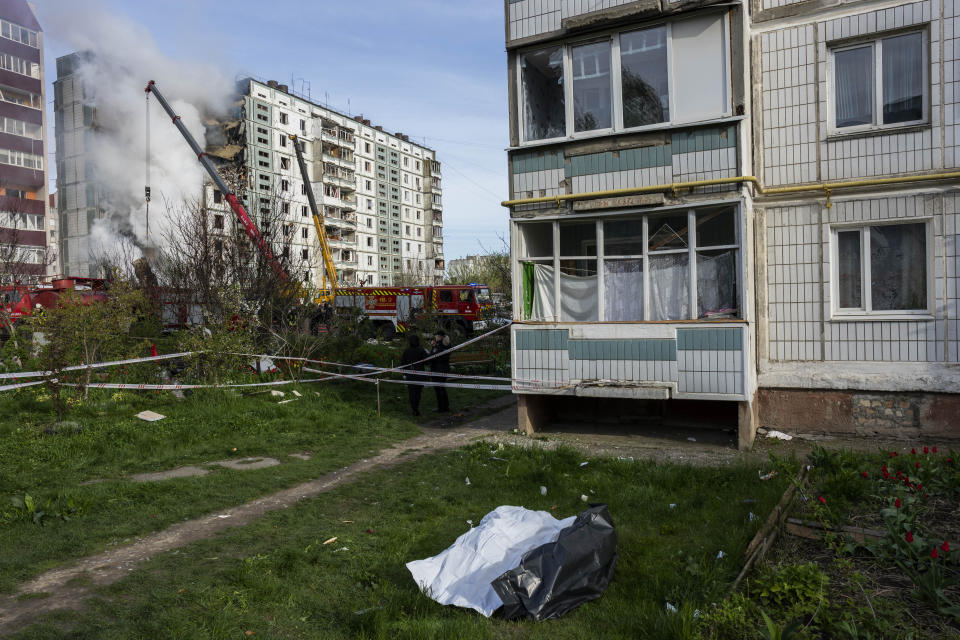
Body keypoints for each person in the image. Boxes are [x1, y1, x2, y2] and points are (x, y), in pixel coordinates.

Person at [400, 334, 429, 416]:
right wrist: (427, 353)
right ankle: (416, 408)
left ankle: (414, 409)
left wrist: (404, 373)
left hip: (410, 374)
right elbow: (427, 362)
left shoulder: (406, 351)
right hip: (420, 375)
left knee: (411, 392)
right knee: (418, 392)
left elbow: (403, 363)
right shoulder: (421, 350)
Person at [429, 329, 451, 413]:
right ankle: (445, 406)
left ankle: (441, 408)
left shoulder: (439, 345)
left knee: (439, 389)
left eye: (436, 335)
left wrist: (433, 347)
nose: (435, 337)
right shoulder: (446, 344)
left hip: (438, 369)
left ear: (440, 336)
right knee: (442, 388)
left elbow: (433, 356)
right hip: (443, 368)